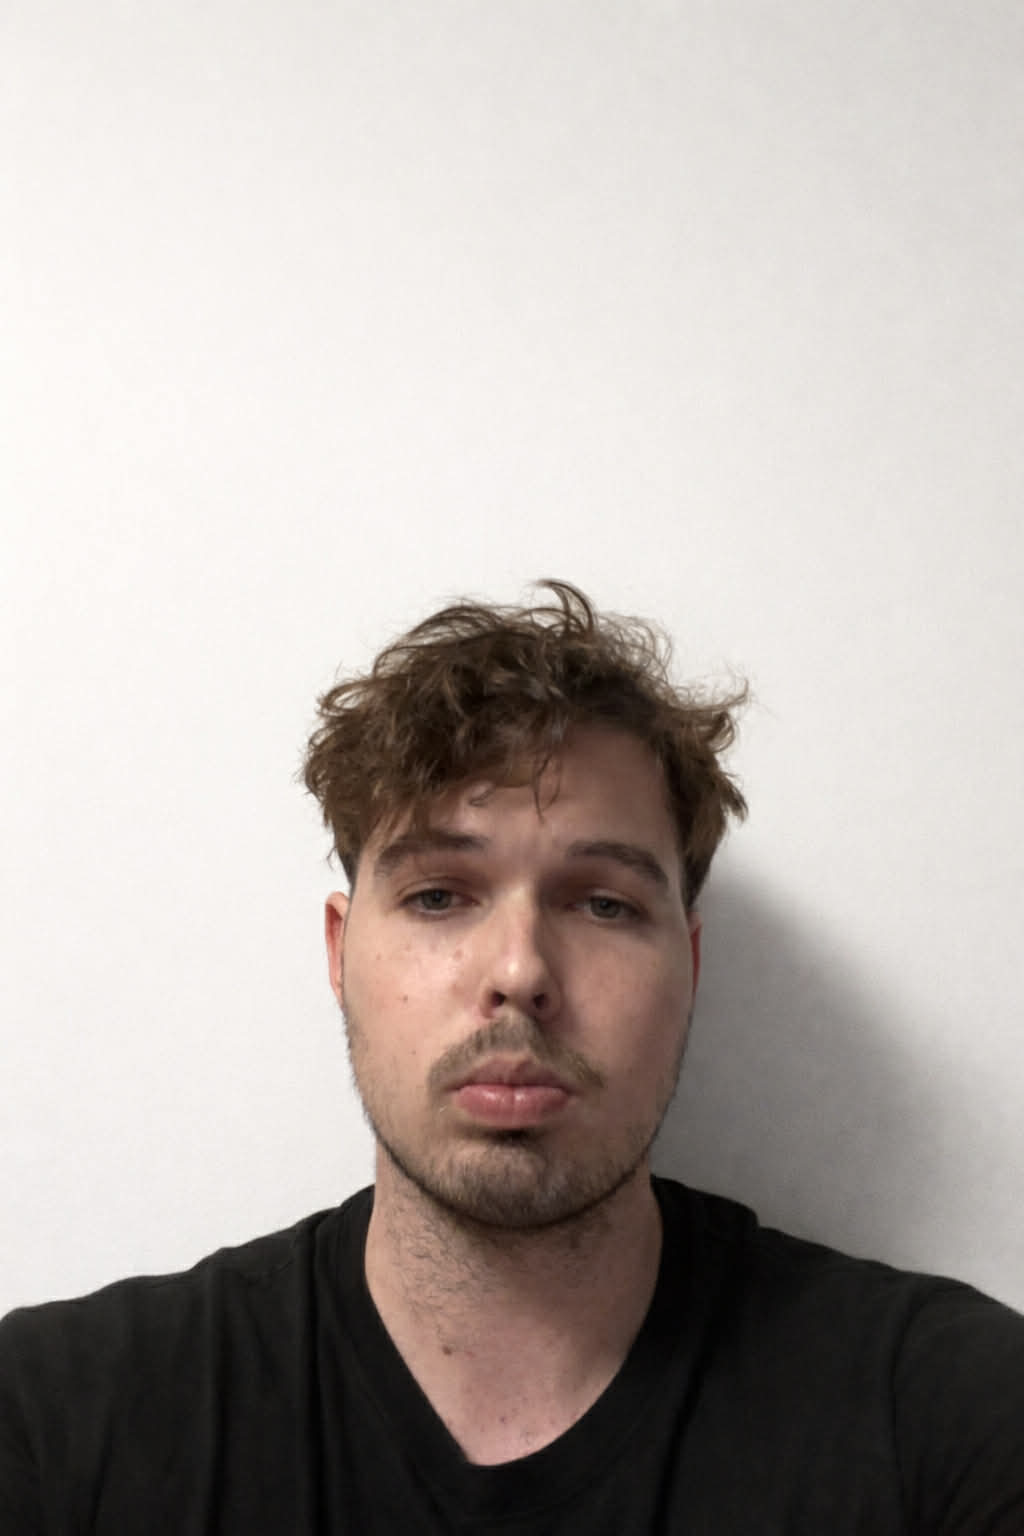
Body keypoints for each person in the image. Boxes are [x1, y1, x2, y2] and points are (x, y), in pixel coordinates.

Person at [1, 580, 1022, 1534]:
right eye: (438, 895)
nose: (520, 971)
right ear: (340, 954)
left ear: (691, 966)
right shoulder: (58, 1422)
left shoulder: (948, 1414)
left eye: (603, 904)